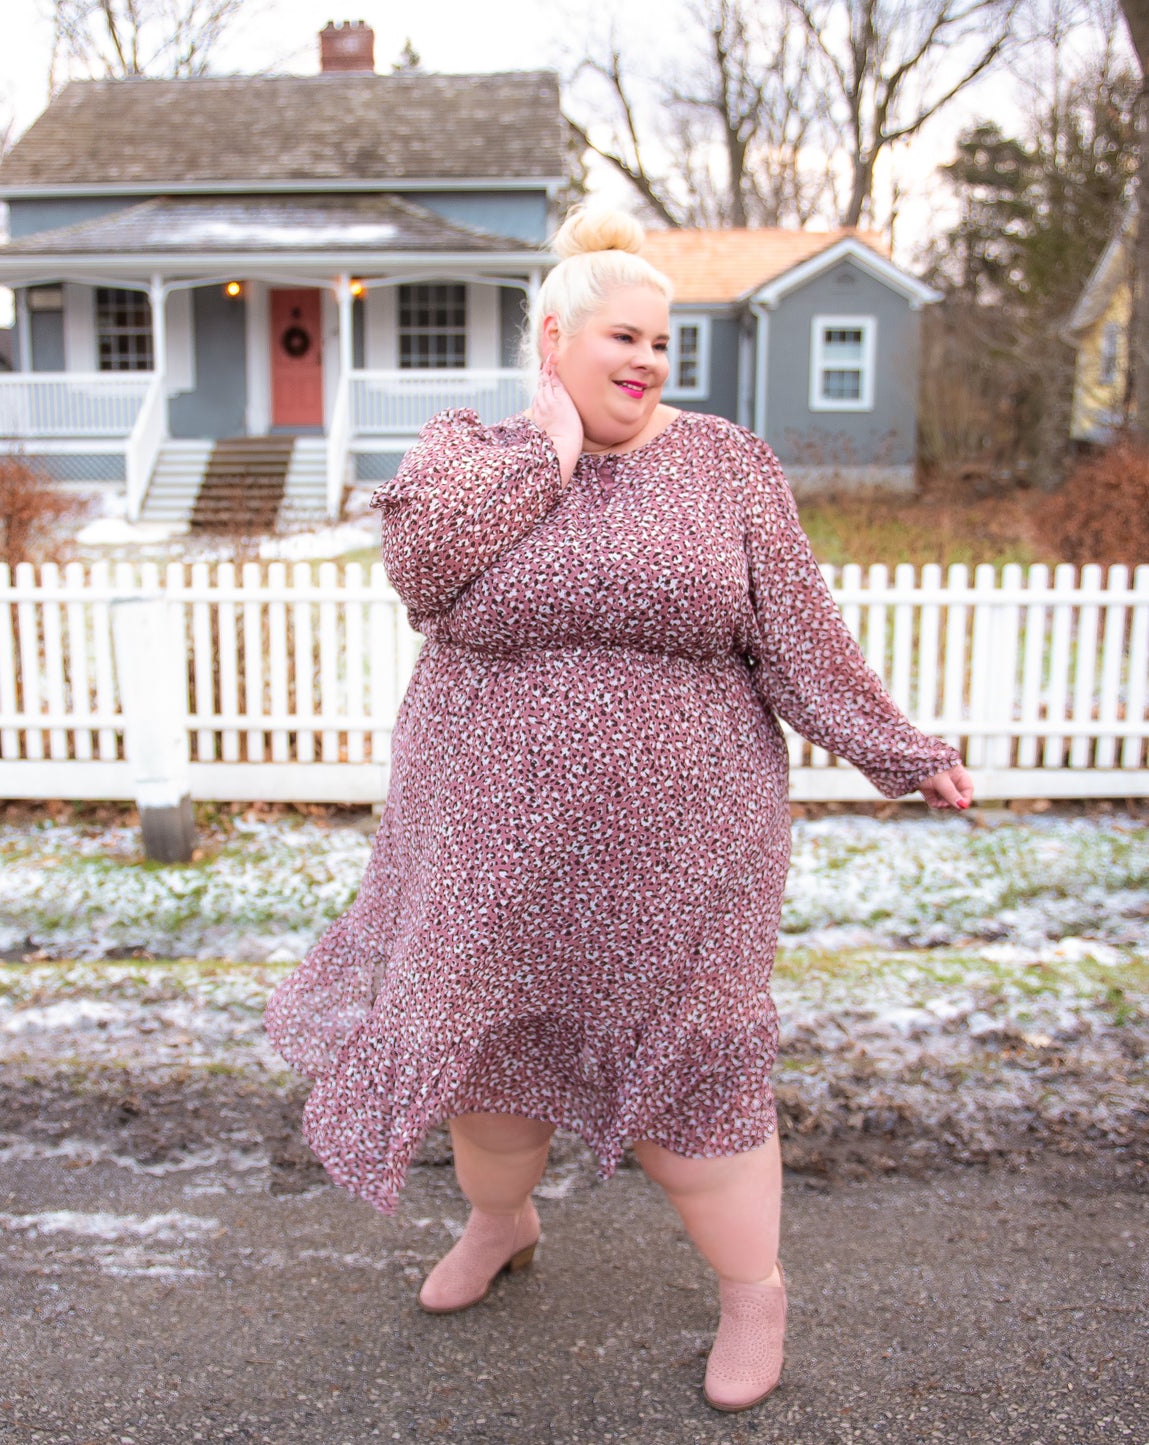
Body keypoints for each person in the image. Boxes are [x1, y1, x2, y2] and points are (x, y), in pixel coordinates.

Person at [263, 206, 974, 1414]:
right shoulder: (463, 453)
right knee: (489, 1057)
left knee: (695, 1064)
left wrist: (897, 748)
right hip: (486, 840)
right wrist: (546, 455)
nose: (647, 362)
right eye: (622, 338)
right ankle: (503, 1220)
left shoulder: (724, 465)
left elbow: (795, 638)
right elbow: (421, 572)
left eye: (663, 342)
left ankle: (753, 1288)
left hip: (685, 847)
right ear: (553, 339)